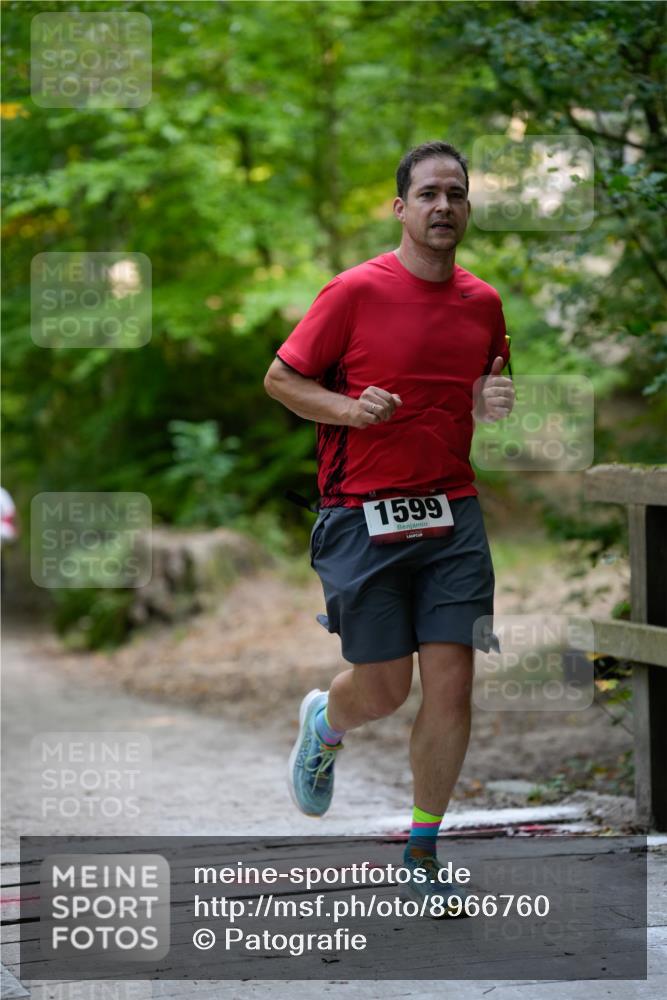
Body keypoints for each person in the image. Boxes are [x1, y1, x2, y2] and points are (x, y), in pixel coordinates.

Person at [263, 141, 515, 913]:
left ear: (467, 208)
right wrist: (347, 409)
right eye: (428, 194)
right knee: (381, 690)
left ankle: (422, 851)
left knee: (452, 685)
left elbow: (480, 391)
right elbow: (281, 378)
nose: (444, 206)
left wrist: (490, 404)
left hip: (452, 513)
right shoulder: (353, 292)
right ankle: (325, 723)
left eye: (456, 194)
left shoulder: (482, 302)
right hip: (359, 514)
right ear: (400, 208)